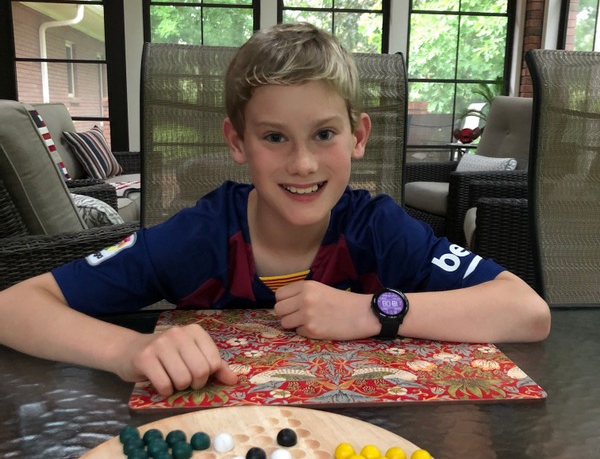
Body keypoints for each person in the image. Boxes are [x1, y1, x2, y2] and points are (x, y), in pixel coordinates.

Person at [0, 24, 550, 395]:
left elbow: (527, 311)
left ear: (359, 136)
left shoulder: (379, 228)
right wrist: (129, 350)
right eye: (274, 137)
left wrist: (373, 312)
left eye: (324, 134)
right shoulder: (198, 237)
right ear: (237, 142)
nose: (303, 163)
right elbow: (14, 305)